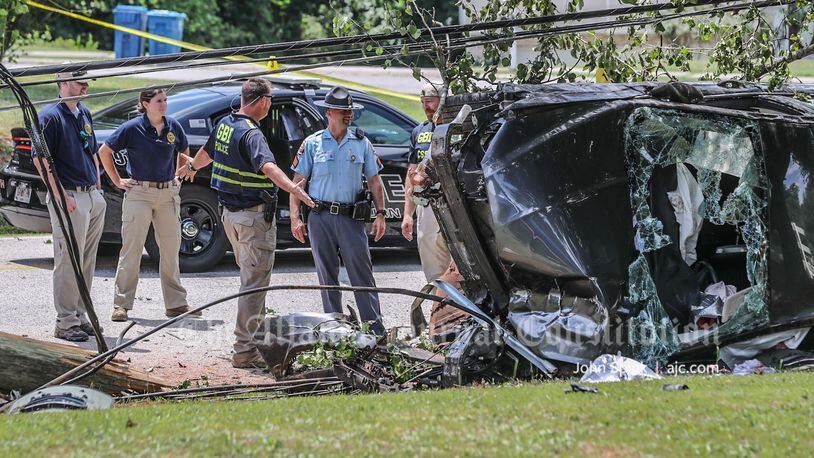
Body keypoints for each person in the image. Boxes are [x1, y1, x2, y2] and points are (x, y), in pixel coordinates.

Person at [177, 78, 315, 369]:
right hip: (252, 219)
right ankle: (244, 351)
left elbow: (207, 153)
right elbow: (268, 166)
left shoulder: (226, 124)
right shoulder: (252, 134)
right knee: (253, 286)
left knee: (251, 281)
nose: (271, 104)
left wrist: (190, 166)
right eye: (270, 100)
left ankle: (253, 343)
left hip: (230, 216)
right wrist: (293, 188)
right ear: (262, 100)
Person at [289, 86, 387, 336]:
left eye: (350, 111)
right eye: (343, 111)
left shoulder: (361, 142)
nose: (348, 115)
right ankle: (334, 329)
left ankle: (374, 330)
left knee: (362, 274)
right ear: (329, 112)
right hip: (319, 217)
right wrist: (295, 218)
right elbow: (297, 184)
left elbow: (375, 181)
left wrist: (381, 214)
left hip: (351, 218)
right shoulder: (313, 143)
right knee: (327, 276)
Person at [99, 89, 191, 322]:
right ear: (145, 104)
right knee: (132, 249)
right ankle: (121, 305)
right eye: (159, 101)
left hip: (167, 193)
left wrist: (180, 175)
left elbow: (184, 152)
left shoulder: (173, 127)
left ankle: (176, 304)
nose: (164, 105)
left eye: (165, 100)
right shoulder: (132, 128)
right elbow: (104, 152)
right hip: (138, 193)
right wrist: (118, 181)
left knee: (170, 250)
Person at [33, 67, 107, 342]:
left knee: (87, 260)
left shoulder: (84, 113)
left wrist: (97, 186)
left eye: (87, 80)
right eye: (80, 81)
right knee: (68, 260)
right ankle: (64, 321)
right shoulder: (49, 116)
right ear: (63, 82)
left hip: (91, 195)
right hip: (70, 197)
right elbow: (41, 159)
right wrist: (62, 196)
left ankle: (79, 314)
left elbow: (92, 150)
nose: (86, 85)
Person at [401, 83, 452, 282]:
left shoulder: (456, 128)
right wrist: (407, 214)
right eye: (422, 102)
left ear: (442, 101)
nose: (425, 107)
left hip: (454, 201)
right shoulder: (418, 131)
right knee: (428, 246)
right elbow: (412, 173)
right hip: (427, 203)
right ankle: (437, 297)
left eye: (429, 101)